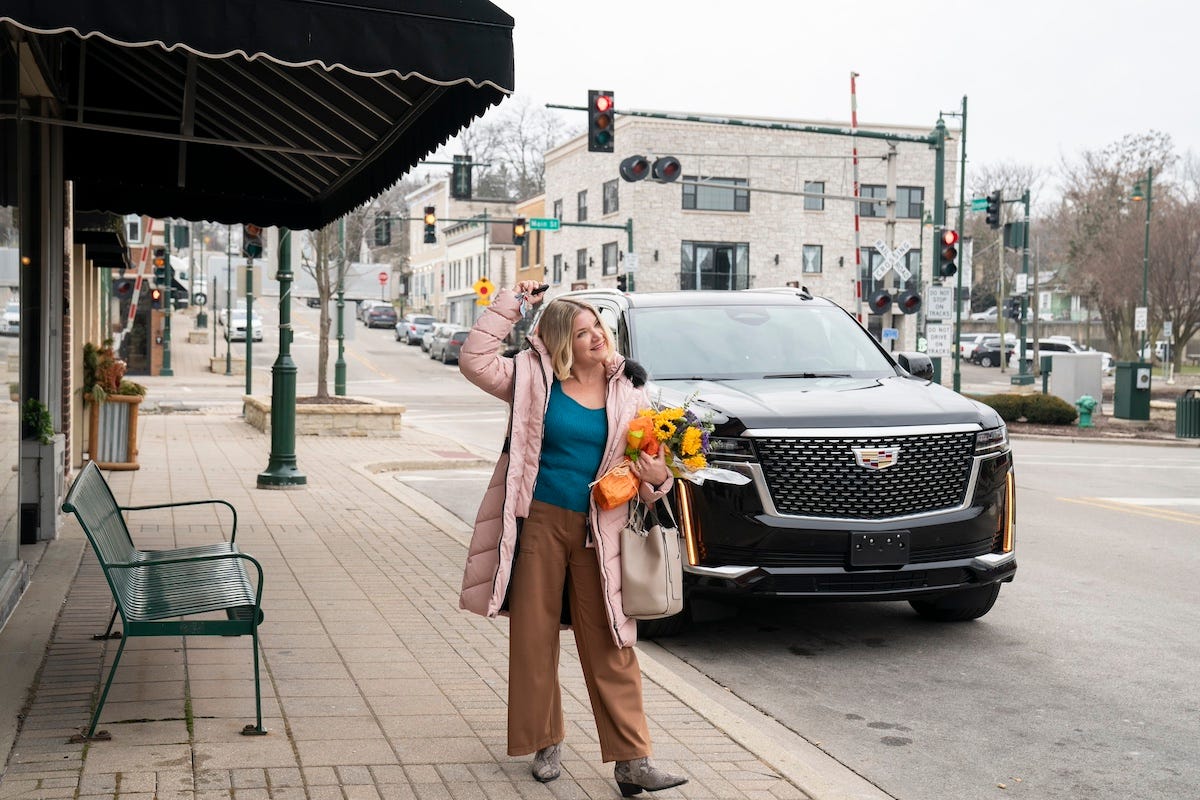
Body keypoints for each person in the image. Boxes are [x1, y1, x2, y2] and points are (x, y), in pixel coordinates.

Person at [458, 281, 689, 796]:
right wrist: (512, 304)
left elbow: (653, 473)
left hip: (600, 528)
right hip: (539, 521)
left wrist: (656, 478)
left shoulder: (632, 390)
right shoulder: (531, 378)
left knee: (611, 639)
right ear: (561, 340)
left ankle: (633, 761)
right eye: (581, 332)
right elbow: (475, 360)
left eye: (598, 329)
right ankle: (546, 741)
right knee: (534, 637)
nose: (595, 338)